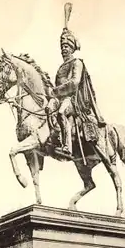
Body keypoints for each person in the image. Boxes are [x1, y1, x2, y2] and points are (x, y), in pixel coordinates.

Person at [46, 27, 106, 156]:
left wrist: (55, 91)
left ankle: (67, 147)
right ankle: (53, 140)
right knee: (47, 109)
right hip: (60, 98)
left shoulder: (77, 62)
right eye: (62, 46)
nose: (64, 49)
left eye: (67, 46)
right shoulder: (61, 66)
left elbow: (74, 83)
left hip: (73, 99)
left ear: (72, 48)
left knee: (61, 112)